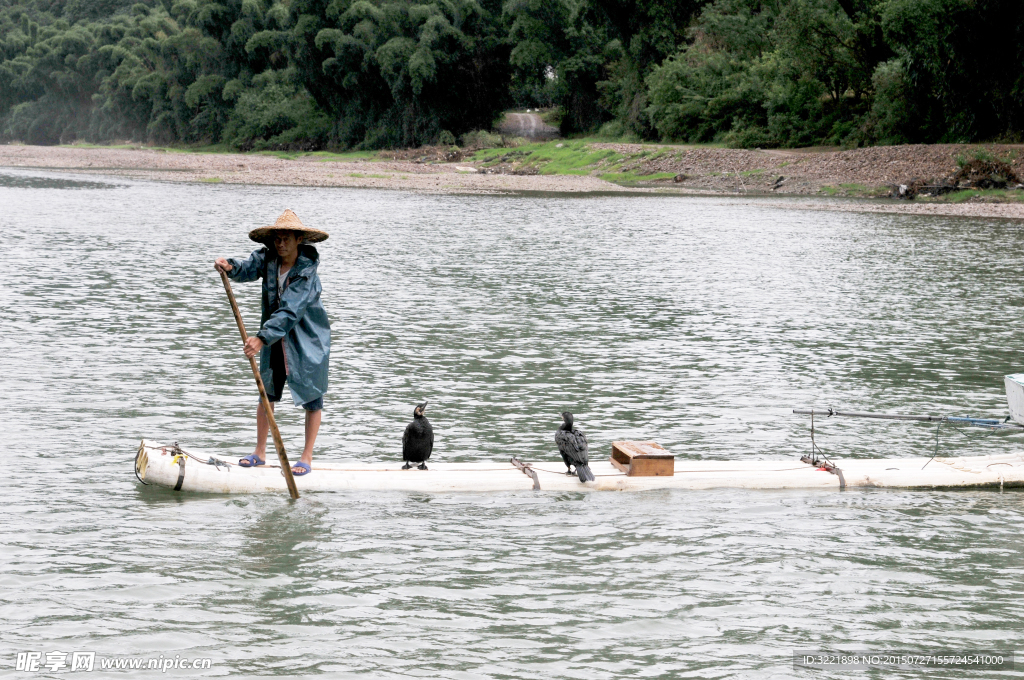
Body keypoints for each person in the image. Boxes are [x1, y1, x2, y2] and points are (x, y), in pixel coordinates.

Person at [214, 209, 331, 476]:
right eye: (277, 239)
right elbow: (248, 268)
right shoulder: (268, 258)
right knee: (267, 392)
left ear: (299, 239)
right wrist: (230, 267)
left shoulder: (306, 271)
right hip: (274, 336)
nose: (280, 244)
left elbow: (291, 310)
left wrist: (261, 337)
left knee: (313, 397)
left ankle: (306, 456)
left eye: (286, 238)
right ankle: (260, 452)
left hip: (307, 338)